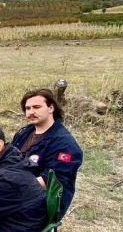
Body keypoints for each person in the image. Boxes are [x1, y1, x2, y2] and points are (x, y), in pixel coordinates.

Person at [11, 88, 83, 217]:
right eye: (27, 108)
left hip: (41, 203)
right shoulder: (24, 133)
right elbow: (8, 158)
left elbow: (52, 181)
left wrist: (9, 187)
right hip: (14, 191)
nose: (31, 112)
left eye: (37, 107)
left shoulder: (64, 143)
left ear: (51, 108)